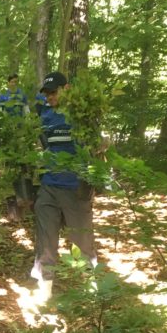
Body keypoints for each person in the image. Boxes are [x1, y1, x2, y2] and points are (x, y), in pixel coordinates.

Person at [31, 72, 98, 300]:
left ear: (66, 88)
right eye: (47, 93)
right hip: (49, 186)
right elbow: (44, 145)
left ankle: (91, 291)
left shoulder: (81, 115)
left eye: (54, 92)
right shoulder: (45, 116)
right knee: (46, 242)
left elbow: (94, 146)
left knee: (82, 241)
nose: (50, 97)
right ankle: (45, 291)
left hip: (75, 188)